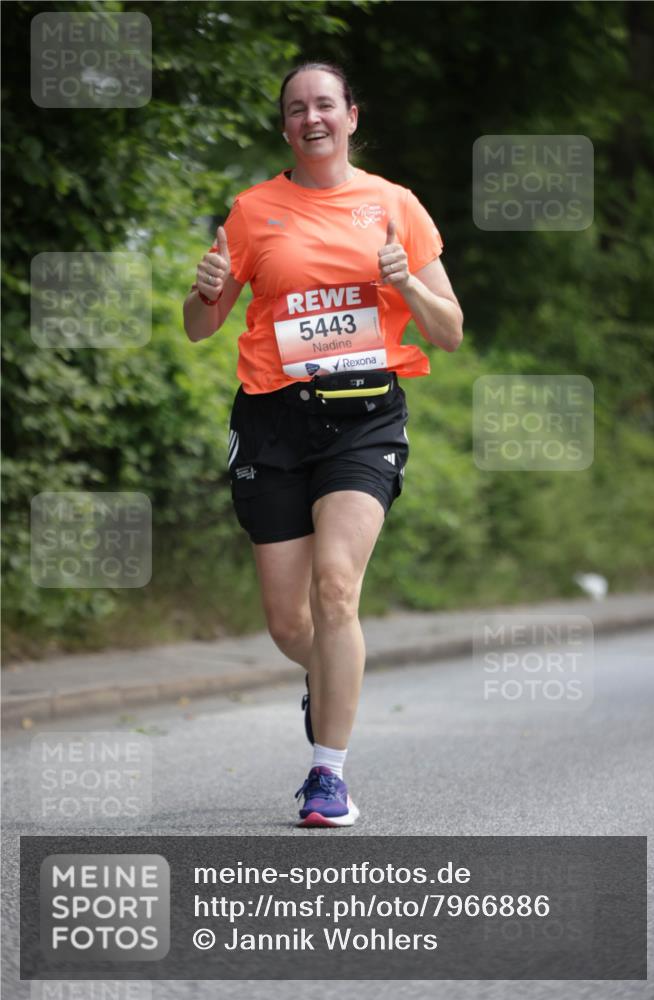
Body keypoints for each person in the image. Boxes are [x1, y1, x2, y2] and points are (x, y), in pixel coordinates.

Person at [183, 62, 463, 828]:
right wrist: (205, 288)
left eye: (325, 105)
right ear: (285, 127)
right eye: (297, 108)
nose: (312, 117)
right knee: (289, 622)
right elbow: (200, 326)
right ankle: (328, 676)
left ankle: (326, 776)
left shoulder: (393, 205)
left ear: (350, 117)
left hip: (363, 419)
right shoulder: (252, 211)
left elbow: (450, 329)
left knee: (336, 585)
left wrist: (405, 283)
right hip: (272, 421)